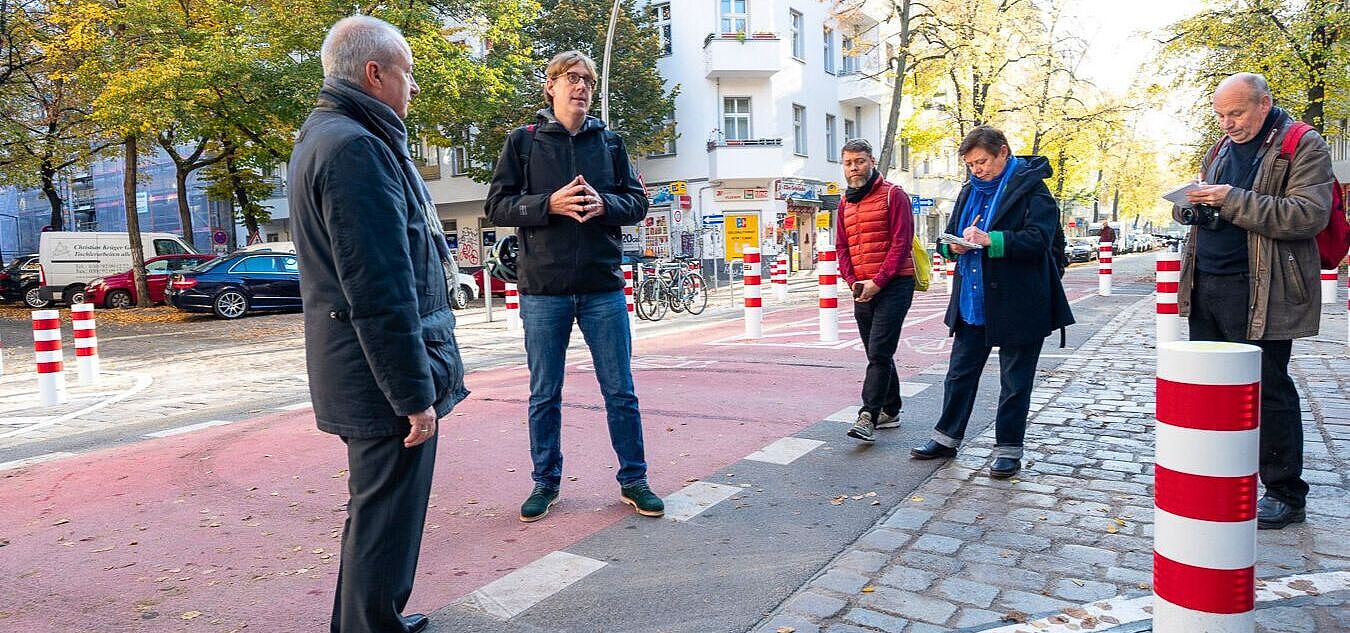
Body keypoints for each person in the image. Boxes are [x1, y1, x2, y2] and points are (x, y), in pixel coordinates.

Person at [288, 16, 468, 633]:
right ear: (375, 74)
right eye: (408, 74)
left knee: (376, 513)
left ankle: (370, 620)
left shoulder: (327, 135)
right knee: (384, 517)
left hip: (360, 366)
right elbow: (380, 287)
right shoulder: (357, 148)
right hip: (379, 375)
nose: (412, 87)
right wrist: (414, 396)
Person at [484, 51, 664, 522]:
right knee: (545, 392)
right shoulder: (522, 143)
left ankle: (634, 479)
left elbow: (636, 203)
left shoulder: (610, 142)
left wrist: (605, 204)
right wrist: (550, 204)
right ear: (550, 87)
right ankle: (545, 483)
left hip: (602, 286)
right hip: (543, 289)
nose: (580, 86)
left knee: (620, 390)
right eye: (570, 78)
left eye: (586, 79)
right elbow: (499, 206)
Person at [1177, 72, 1334, 529]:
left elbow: (1307, 215)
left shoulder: (1302, 144)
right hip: (1208, 281)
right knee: (1208, 386)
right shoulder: (1221, 148)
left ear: (1264, 104)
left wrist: (1231, 199)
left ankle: (1285, 491)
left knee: (1268, 389)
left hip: (1264, 288)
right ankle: (1220, 475)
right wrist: (1191, 206)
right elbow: (1214, 207)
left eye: (1236, 113)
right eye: (1220, 114)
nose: (1227, 123)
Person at [910, 126, 1074, 479]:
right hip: (972, 300)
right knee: (958, 374)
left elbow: (1039, 240)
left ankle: (1008, 450)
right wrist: (948, 246)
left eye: (982, 161)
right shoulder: (969, 190)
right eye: (970, 164)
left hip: (1019, 301)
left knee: (1015, 381)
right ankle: (946, 438)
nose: (976, 170)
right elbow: (947, 235)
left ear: (1003, 152)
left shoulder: (1033, 188)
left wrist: (991, 240)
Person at [835, 138, 917, 442]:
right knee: (876, 351)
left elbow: (901, 243)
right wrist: (852, 281)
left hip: (895, 284)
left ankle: (868, 414)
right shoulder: (844, 201)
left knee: (880, 350)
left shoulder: (894, 195)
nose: (855, 168)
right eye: (849, 163)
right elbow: (841, 246)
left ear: (872, 161)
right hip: (861, 287)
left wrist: (878, 282)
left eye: (860, 161)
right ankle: (891, 409)